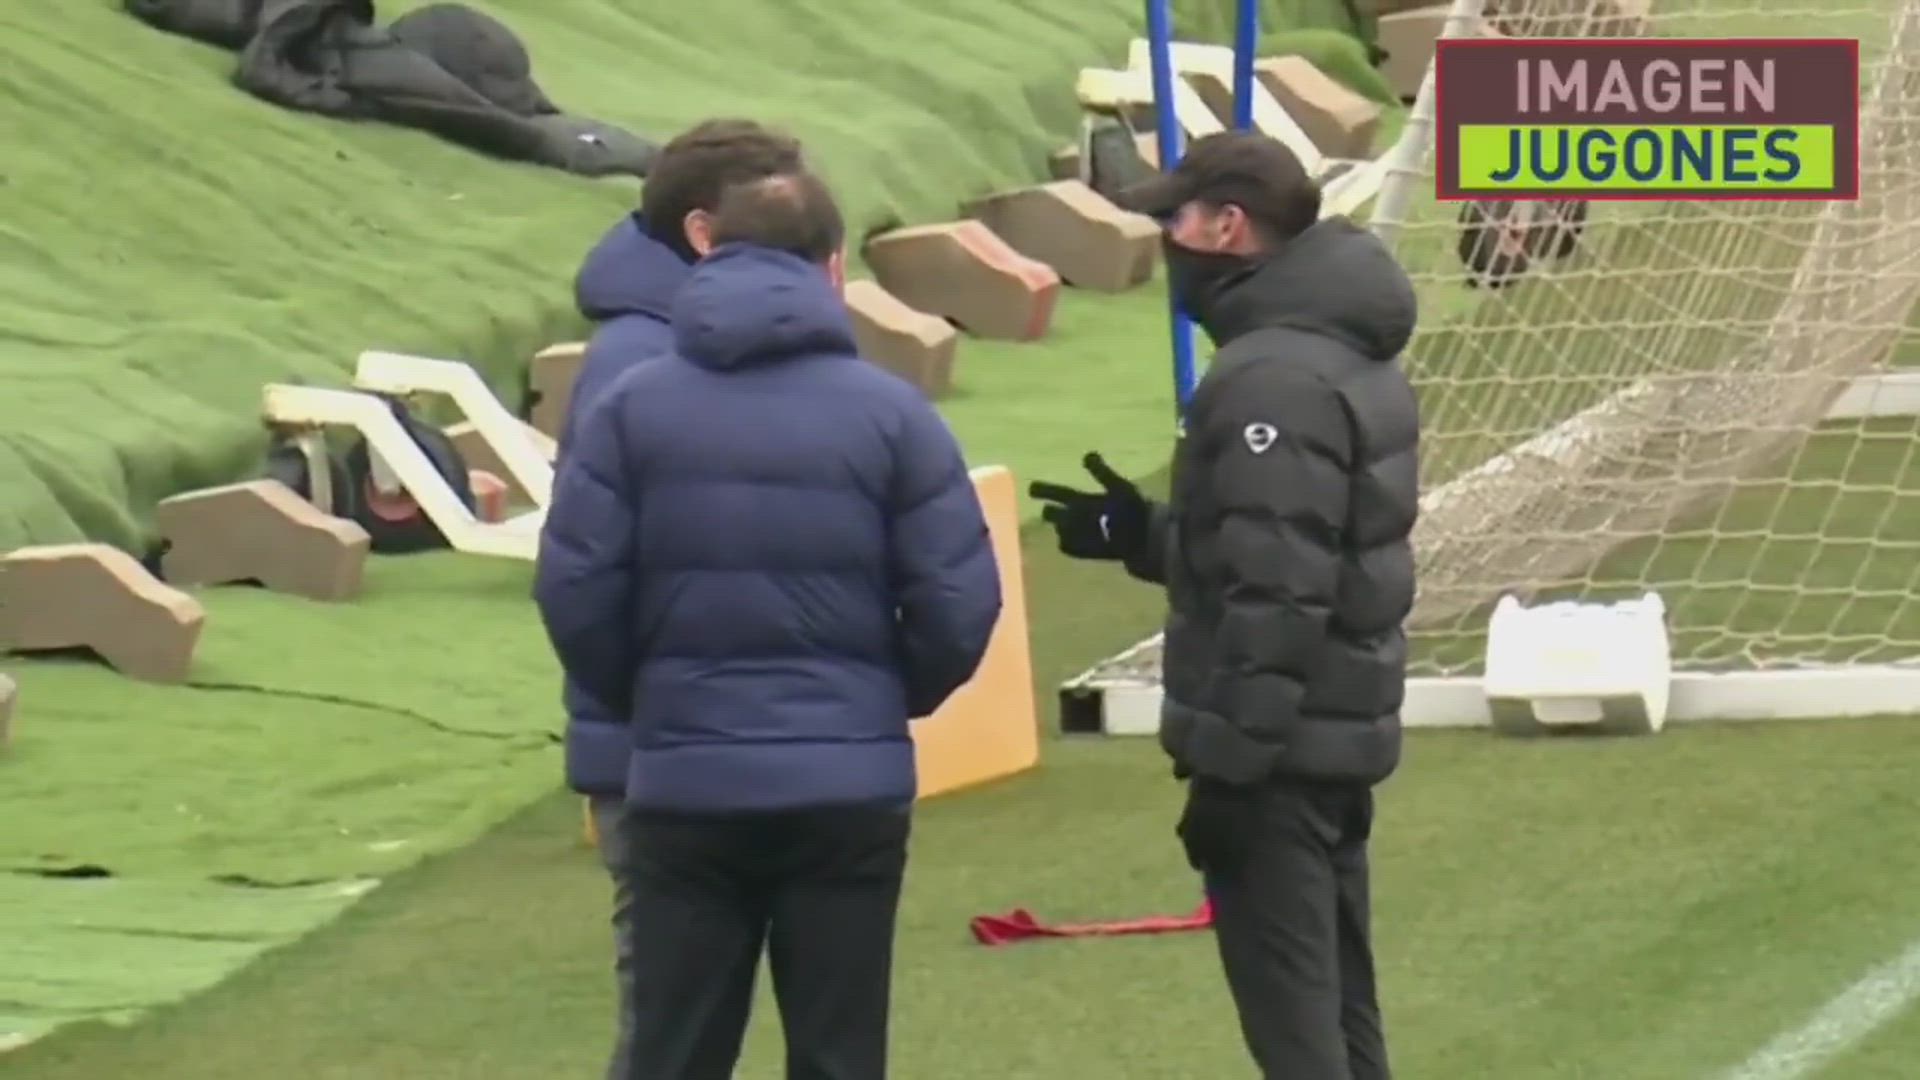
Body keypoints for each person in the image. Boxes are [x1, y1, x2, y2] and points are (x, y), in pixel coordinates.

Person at [534, 169, 1002, 1080]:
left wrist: (652, 695)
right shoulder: (894, 414)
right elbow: (958, 602)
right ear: (832, 269)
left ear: (710, 250)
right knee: (838, 1051)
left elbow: (575, 590)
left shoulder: (632, 405)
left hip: (685, 778)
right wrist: (880, 697)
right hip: (847, 783)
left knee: (675, 1050)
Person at [1029, 130, 1420, 1079]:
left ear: (1229, 227)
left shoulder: (1271, 376)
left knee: (1298, 1031)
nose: (1166, 238)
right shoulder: (1327, 350)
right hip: (1329, 732)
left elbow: (1282, 590)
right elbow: (1298, 547)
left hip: (1280, 752)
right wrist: (1146, 536)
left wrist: (1234, 772)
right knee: (1339, 1006)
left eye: (1176, 218)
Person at [556, 117, 804, 1080]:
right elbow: (586, 579)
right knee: (675, 1031)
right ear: (705, 234)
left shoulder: (697, 347)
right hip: (668, 751)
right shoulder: (638, 364)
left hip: (725, 736)